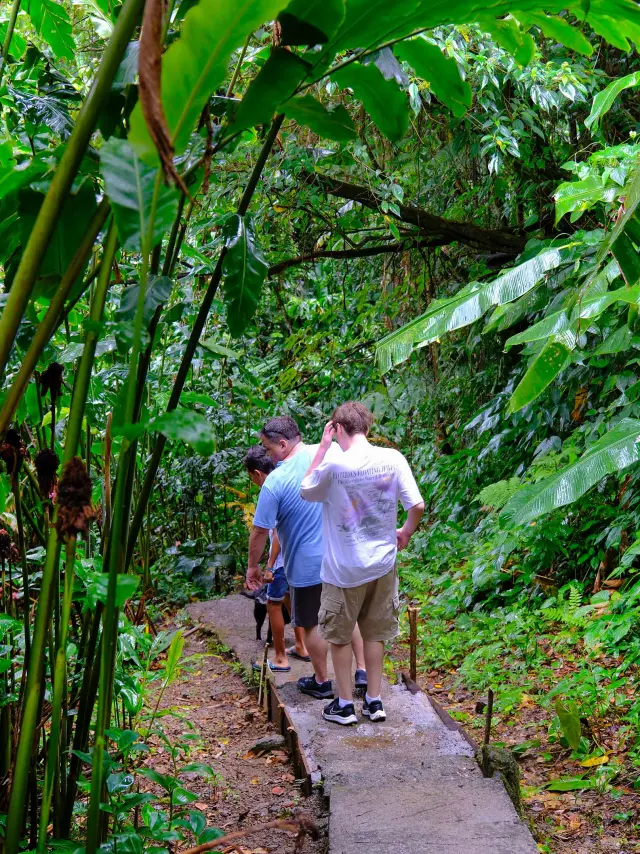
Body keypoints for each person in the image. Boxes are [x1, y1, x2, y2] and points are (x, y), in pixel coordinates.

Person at [300, 401, 424, 726]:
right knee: (374, 634)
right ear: (367, 427)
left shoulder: (334, 466)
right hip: (382, 565)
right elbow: (417, 505)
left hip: (344, 570)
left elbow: (305, 490)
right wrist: (406, 533)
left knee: (340, 636)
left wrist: (324, 447)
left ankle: (343, 705)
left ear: (338, 429)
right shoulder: (392, 458)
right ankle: (374, 700)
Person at [245, 415, 366, 699]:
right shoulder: (329, 451)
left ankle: (322, 681)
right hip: (340, 557)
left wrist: (253, 567)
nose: (268, 455)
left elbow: (260, 531)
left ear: (284, 444)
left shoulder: (275, 481)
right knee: (349, 616)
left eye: (269, 448)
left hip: (306, 564)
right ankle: (361, 670)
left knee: (310, 622)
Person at [244, 445, 309, 670]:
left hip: (282, 561)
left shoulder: (272, 487)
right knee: (291, 601)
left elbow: (275, 534)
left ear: (256, 473)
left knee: (273, 604)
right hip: (297, 557)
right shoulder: (291, 477)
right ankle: (301, 645)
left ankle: (280, 658)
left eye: (251, 477)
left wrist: (269, 566)